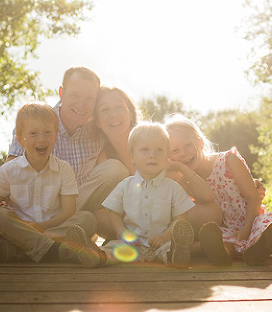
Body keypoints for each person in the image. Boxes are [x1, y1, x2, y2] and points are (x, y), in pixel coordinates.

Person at [0, 67, 129, 251]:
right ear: (61, 93)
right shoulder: (35, 121)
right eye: (75, 96)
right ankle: (31, 232)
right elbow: (11, 172)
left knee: (114, 169)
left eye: (89, 99)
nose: (81, 104)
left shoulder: (97, 131)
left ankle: (18, 236)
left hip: (67, 211)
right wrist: (0, 209)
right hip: (23, 208)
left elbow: (107, 180)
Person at [90, 86, 224, 240]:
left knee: (212, 211)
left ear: (130, 112)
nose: (113, 115)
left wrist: (179, 168)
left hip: (168, 217)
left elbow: (196, 166)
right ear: (97, 121)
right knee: (98, 217)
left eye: (119, 107)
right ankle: (147, 243)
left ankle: (170, 240)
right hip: (132, 222)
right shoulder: (102, 158)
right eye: (105, 110)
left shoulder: (157, 140)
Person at [166, 115, 272, 266]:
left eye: (187, 145)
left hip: (251, 219)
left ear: (200, 143)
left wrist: (246, 229)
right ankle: (222, 254)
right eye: (175, 150)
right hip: (223, 229)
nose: (183, 153)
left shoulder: (228, 161)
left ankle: (258, 248)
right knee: (216, 239)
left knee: (265, 226)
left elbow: (253, 197)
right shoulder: (187, 181)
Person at [66, 122, 196, 267]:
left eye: (159, 150)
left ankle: (177, 256)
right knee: (114, 249)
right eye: (145, 150)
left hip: (161, 243)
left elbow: (180, 217)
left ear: (167, 157)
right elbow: (114, 213)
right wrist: (122, 233)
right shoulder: (124, 185)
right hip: (131, 244)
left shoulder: (173, 188)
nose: (152, 155)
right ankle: (95, 255)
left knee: (168, 250)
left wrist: (165, 237)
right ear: (132, 157)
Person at [0, 102, 97, 263]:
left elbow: (69, 211)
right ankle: (57, 251)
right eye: (33, 134)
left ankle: (20, 248)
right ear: (20, 139)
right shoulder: (8, 171)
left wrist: (43, 227)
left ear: (56, 135)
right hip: (21, 227)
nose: (41, 139)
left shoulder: (64, 169)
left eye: (47, 132)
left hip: (51, 227)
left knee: (88, 218)